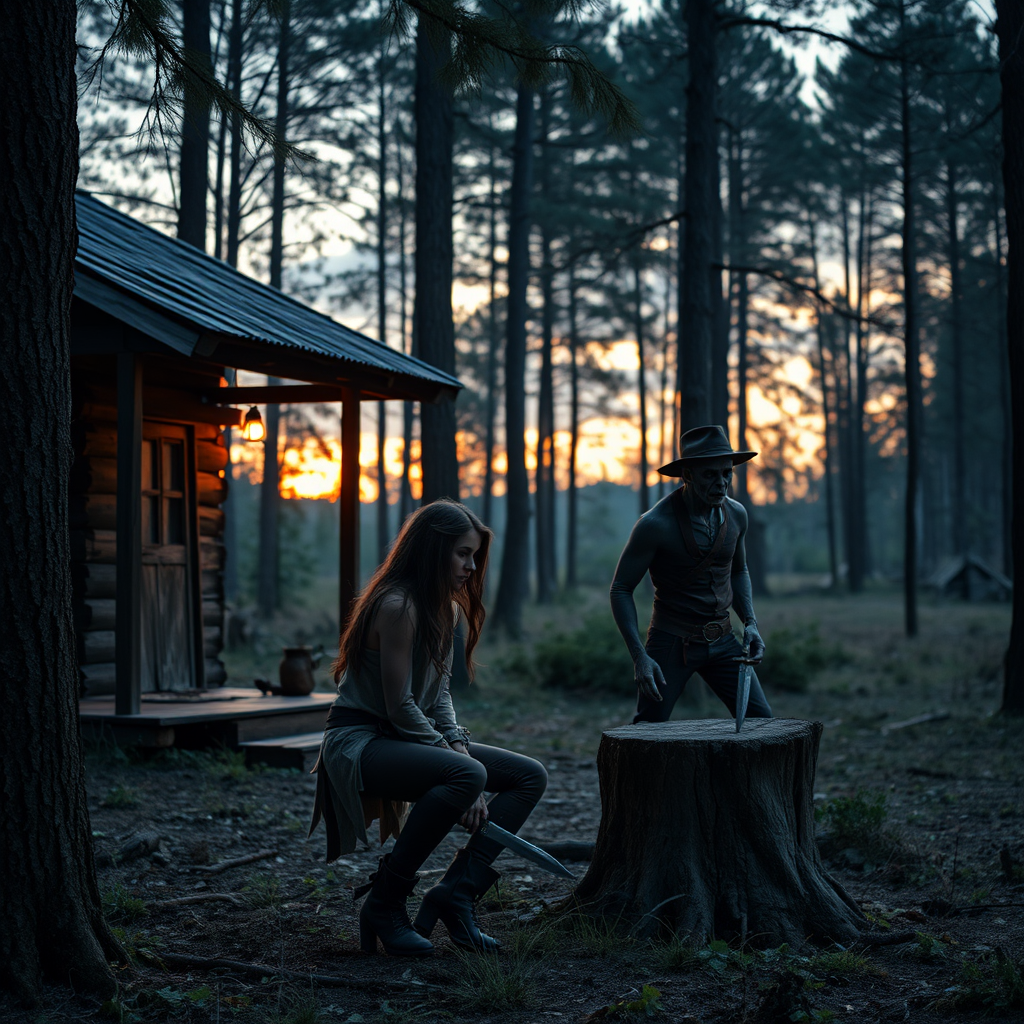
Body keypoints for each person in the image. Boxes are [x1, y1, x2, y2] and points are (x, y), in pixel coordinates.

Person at [308, 499, 547, 957]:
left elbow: (437, 695)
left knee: (528, 775)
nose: (470, 566)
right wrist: (460, 761)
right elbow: (399, 705)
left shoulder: (445, 609)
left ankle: (456, 894)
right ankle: (384, 903)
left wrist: (456, 743)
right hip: (359, 741)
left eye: (474, 556)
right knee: (468, 774)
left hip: (401, 737)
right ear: (431, 549)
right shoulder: (397, 605)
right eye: (462, 554)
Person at [609, 424, 772, 724]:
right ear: (688, 475)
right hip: (671, 642)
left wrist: (750, 623)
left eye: (726, 473)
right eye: (710, 474)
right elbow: (620, 589)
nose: (721, 482)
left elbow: (739, 570)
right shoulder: (655, 524)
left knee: (761, 723)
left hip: (724, 640)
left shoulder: (737, 515)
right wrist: (639, 657)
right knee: (648, 730)